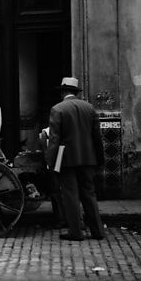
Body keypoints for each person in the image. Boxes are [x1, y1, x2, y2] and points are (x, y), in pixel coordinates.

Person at [45, 77, 106, 241]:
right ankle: (98, 231)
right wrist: (100, 160)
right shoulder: (89, 108)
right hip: (88, 158)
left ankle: (76, 232)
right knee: (89, 194)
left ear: (63, 92)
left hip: (67, 159)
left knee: (70, 195)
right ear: (75, 92)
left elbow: (54, 140)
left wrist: (51, 162)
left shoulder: (58, 109)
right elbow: (97, 138)